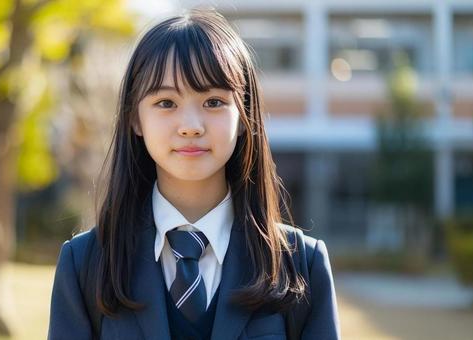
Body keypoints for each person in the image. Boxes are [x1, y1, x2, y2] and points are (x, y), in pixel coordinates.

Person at [48, 8, 340, 340]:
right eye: (166, 103)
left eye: (213, 102)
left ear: (244, 116)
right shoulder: (85, 264)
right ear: (134, 118)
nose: (190, 126)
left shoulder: (301, 264)